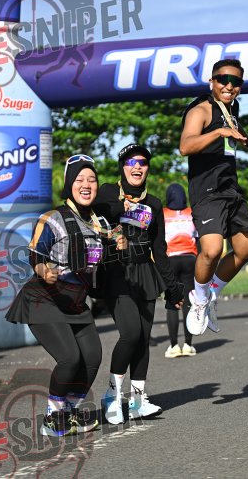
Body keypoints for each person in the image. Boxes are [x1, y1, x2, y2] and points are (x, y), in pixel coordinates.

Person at [6, 154, 123, 436]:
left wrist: (121, 241)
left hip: (76, 301)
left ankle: (68, 411)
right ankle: (52, 417)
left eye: (92, 179)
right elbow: (35, 255)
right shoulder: (52, 218)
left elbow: (112, 244)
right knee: (70, 358)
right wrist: (43, 270)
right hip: (45, 298)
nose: (86, 185)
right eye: (80, 179)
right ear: (70, 184)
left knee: (92, 356)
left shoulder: (99, 223)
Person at [180, 58, 248, 335]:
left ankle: (211, 294)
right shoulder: (200, 110)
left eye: (236, 82)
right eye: (223, 79)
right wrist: (218, 132)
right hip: (207, 192)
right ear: (212, 81)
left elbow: (235, 133)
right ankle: (198, 299)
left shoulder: (232, 108)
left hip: (231, 189)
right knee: (211, 251)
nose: (229, 86)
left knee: (246, 250)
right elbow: (185, 146)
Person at [94, 144, 185, 425]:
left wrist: (173, 287)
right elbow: (96, 212)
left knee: (143, 338)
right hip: (116, 273)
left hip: (145, 272)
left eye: (143, 162)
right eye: (131, 162)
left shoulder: (154, 204)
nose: (137, 167)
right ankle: (112, 395)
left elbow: (159, 249)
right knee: (131, 333)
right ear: (122, 167)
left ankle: (137, 400)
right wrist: (120, 206)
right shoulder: (108, 192)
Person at [162, 183, 198, 358]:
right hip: (190, 258)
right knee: (188, 301)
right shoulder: (192, 213)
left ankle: (174, 346)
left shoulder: (163, 214)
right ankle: (188, 345)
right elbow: (198, 237)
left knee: (172, 302)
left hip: (171, 259)